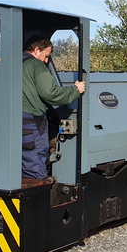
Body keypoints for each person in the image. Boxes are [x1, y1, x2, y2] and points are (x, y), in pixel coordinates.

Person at [22, 37, 86, 184]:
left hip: (15, 118)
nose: (46, 61)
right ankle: (37, 191)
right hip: (31, 121)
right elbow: (51, 93)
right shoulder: (36, 65)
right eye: (46, 56)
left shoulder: (12, 62)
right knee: (35, 157)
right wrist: (76, 90)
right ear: (36, 50)